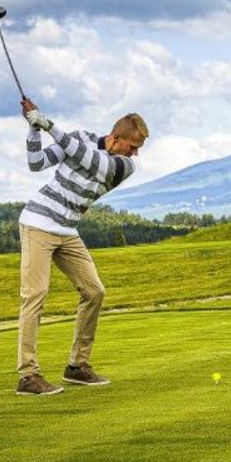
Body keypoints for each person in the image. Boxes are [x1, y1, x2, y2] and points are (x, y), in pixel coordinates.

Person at [15, 97, 148, 396]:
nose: (136, 153)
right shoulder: (81, 138)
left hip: (67, 230)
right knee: (35, 295)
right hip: (38, 222)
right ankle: (28, 375)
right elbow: (36, 163)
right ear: (116, 138)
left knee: (94, 291)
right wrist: (33, 128)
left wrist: (47, 124)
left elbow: (87, 159)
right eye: (133, 146)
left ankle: (77, 366)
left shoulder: (123, 166)